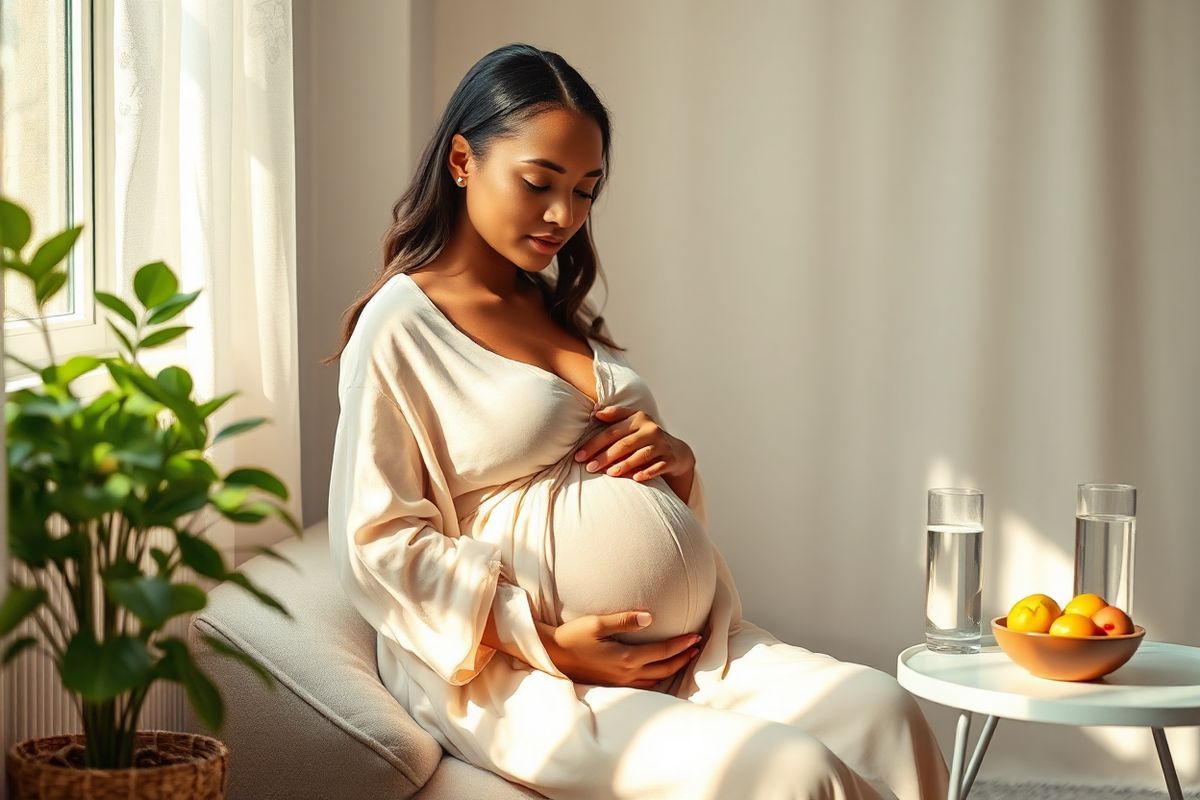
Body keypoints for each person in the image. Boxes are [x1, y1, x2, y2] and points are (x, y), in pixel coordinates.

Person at [323, 42, 950, 800]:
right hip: (520, 673)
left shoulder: (549, 306)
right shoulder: (402, 324)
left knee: (885, 712)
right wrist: (545, 641)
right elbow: (375, 540)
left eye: (587, 190)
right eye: (539, 182)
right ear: (463, 161)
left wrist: (678, 465)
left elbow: (632, 486)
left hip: (686, 648)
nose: (565, 215)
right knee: (794, 772)